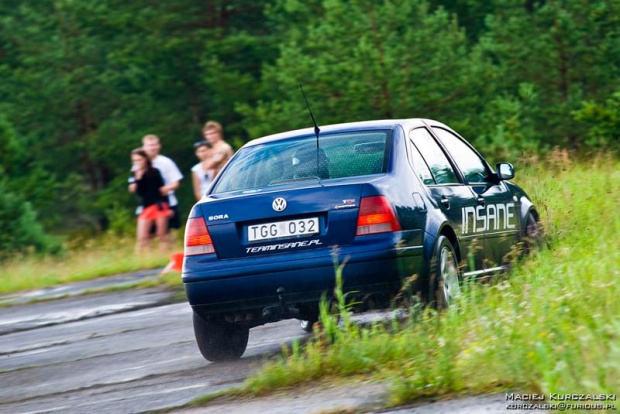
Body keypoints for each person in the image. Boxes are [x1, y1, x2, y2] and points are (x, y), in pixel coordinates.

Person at [128, 149, 171, 252]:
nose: (138, 163)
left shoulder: (154, 172)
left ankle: (163, 255)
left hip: (158, 204)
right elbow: (140, 192)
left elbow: (161, 190)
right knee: (142, 237)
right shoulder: (134, 175)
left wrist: (167, 206)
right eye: (135, 161)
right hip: (146, 206)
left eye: (140, 160)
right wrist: (137, 180)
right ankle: (145, 259)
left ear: (145, 159)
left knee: (161, 235)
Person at [141, 134, 183, 229]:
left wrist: (167, 188)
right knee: (146, 234)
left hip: (167, 202)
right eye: (149, 145)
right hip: (148, 204)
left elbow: (176, 182)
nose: (152, 148)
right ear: (144, 147)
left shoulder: (166, 162)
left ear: (159, 146)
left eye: (154, 145)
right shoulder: (140, 163)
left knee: (167, 233)